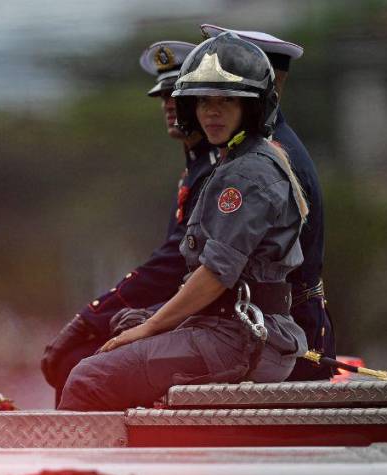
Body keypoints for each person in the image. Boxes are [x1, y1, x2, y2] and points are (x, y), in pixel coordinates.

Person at [59, 32, 309, 411]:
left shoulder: (245, 173)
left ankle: (85, 473)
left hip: (238, 336)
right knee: (120, 330)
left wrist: (151, 326)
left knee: (87, 379)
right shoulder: (237, 161)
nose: (211, 111)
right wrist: (143, 321)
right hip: (230, 328)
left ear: (253, 108)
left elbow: (216, 274)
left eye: (226, 101)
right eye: (203, 100)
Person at [41, 40, 218, 400]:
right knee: (78, 357)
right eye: (163, 97)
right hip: (196, 313)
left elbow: (175, 263)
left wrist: (93, 317)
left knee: (80, 365)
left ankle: (95, 457)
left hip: (222, 324)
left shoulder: (218, 169)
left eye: (179, 95)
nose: (169, 105)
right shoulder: (198, 167)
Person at [200, 25, 335, 380]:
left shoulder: (267, 158)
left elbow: (222, 266)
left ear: (265, 82)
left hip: (278, 333)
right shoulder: (252, 146)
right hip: (264, 326)